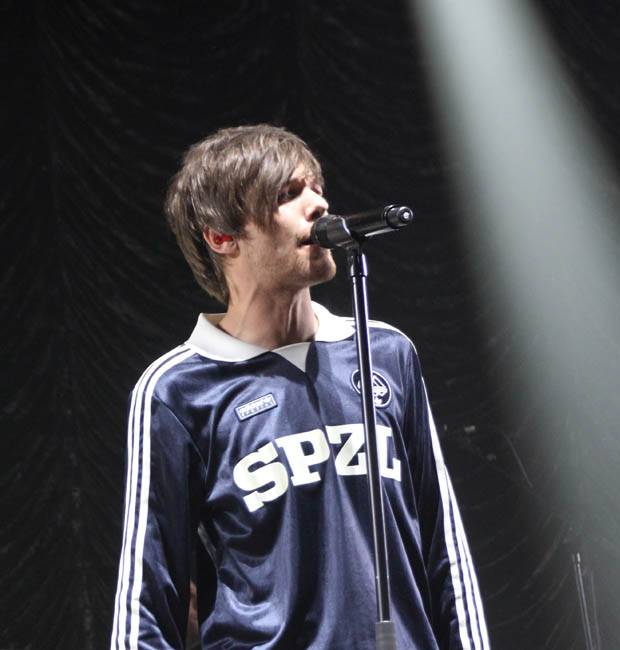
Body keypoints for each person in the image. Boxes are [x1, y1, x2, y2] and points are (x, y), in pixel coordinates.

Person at [110, 124, 490, 650]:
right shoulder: (177, 391)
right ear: (222, 237)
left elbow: (444, 550)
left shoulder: (385, 352)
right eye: (288, 195)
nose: (319, 204)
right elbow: (147, 602)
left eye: (317, 187)